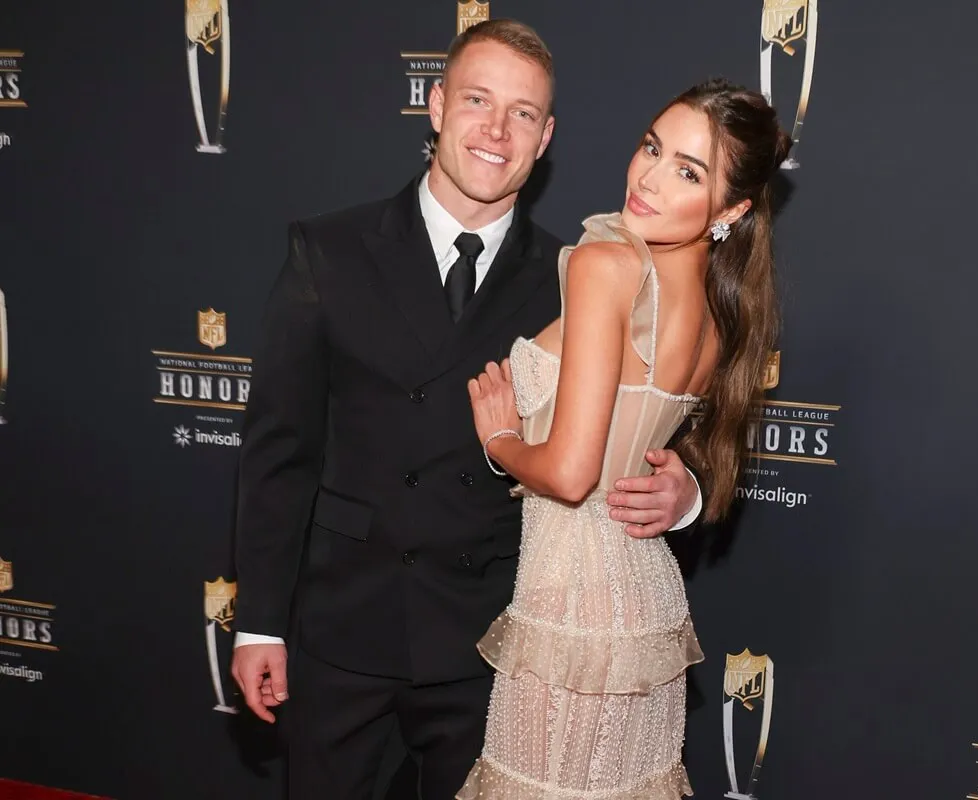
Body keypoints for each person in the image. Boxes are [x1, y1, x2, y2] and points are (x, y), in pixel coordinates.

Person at [228, 19, 705, 800]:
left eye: (523, 113)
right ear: (437, 106)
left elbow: (664, 417)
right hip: (344, 626)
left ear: (545, 137)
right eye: (478, 100)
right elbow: (279, 453)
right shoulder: (330, 250)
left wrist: (685, 495)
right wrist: (259, 621)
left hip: (492, 639)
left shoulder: (581, 274)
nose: (496, 128)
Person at [456, 78, 789, 798]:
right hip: (642, 611)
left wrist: (503, 439)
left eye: (688, 171)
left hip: (570, 605)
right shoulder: (722, 309)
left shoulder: (606, 265)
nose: (649, 177)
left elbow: (573, 475)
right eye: (652, 148)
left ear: (732, 208)